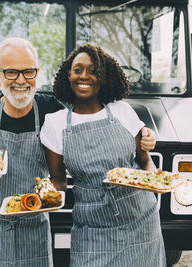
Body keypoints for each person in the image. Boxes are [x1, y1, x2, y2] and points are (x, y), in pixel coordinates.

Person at [0, 37, 156, 266]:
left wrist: (144, 135)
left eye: (28, 72)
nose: (21, 80)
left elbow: (91, 128)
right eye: (11, 72)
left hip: (34, 227)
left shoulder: (51, 112)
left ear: (37, 73)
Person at [40, 43, 166, 266]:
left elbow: (146, 162)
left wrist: (152, 180)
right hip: (92, 230)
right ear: (68, 75)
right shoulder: (55, 123)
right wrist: (43, 194)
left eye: (93, 70)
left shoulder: (122, 111)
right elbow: (58, 180)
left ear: (103, 77)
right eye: (78, 70)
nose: (84, 76)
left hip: (140, 221)